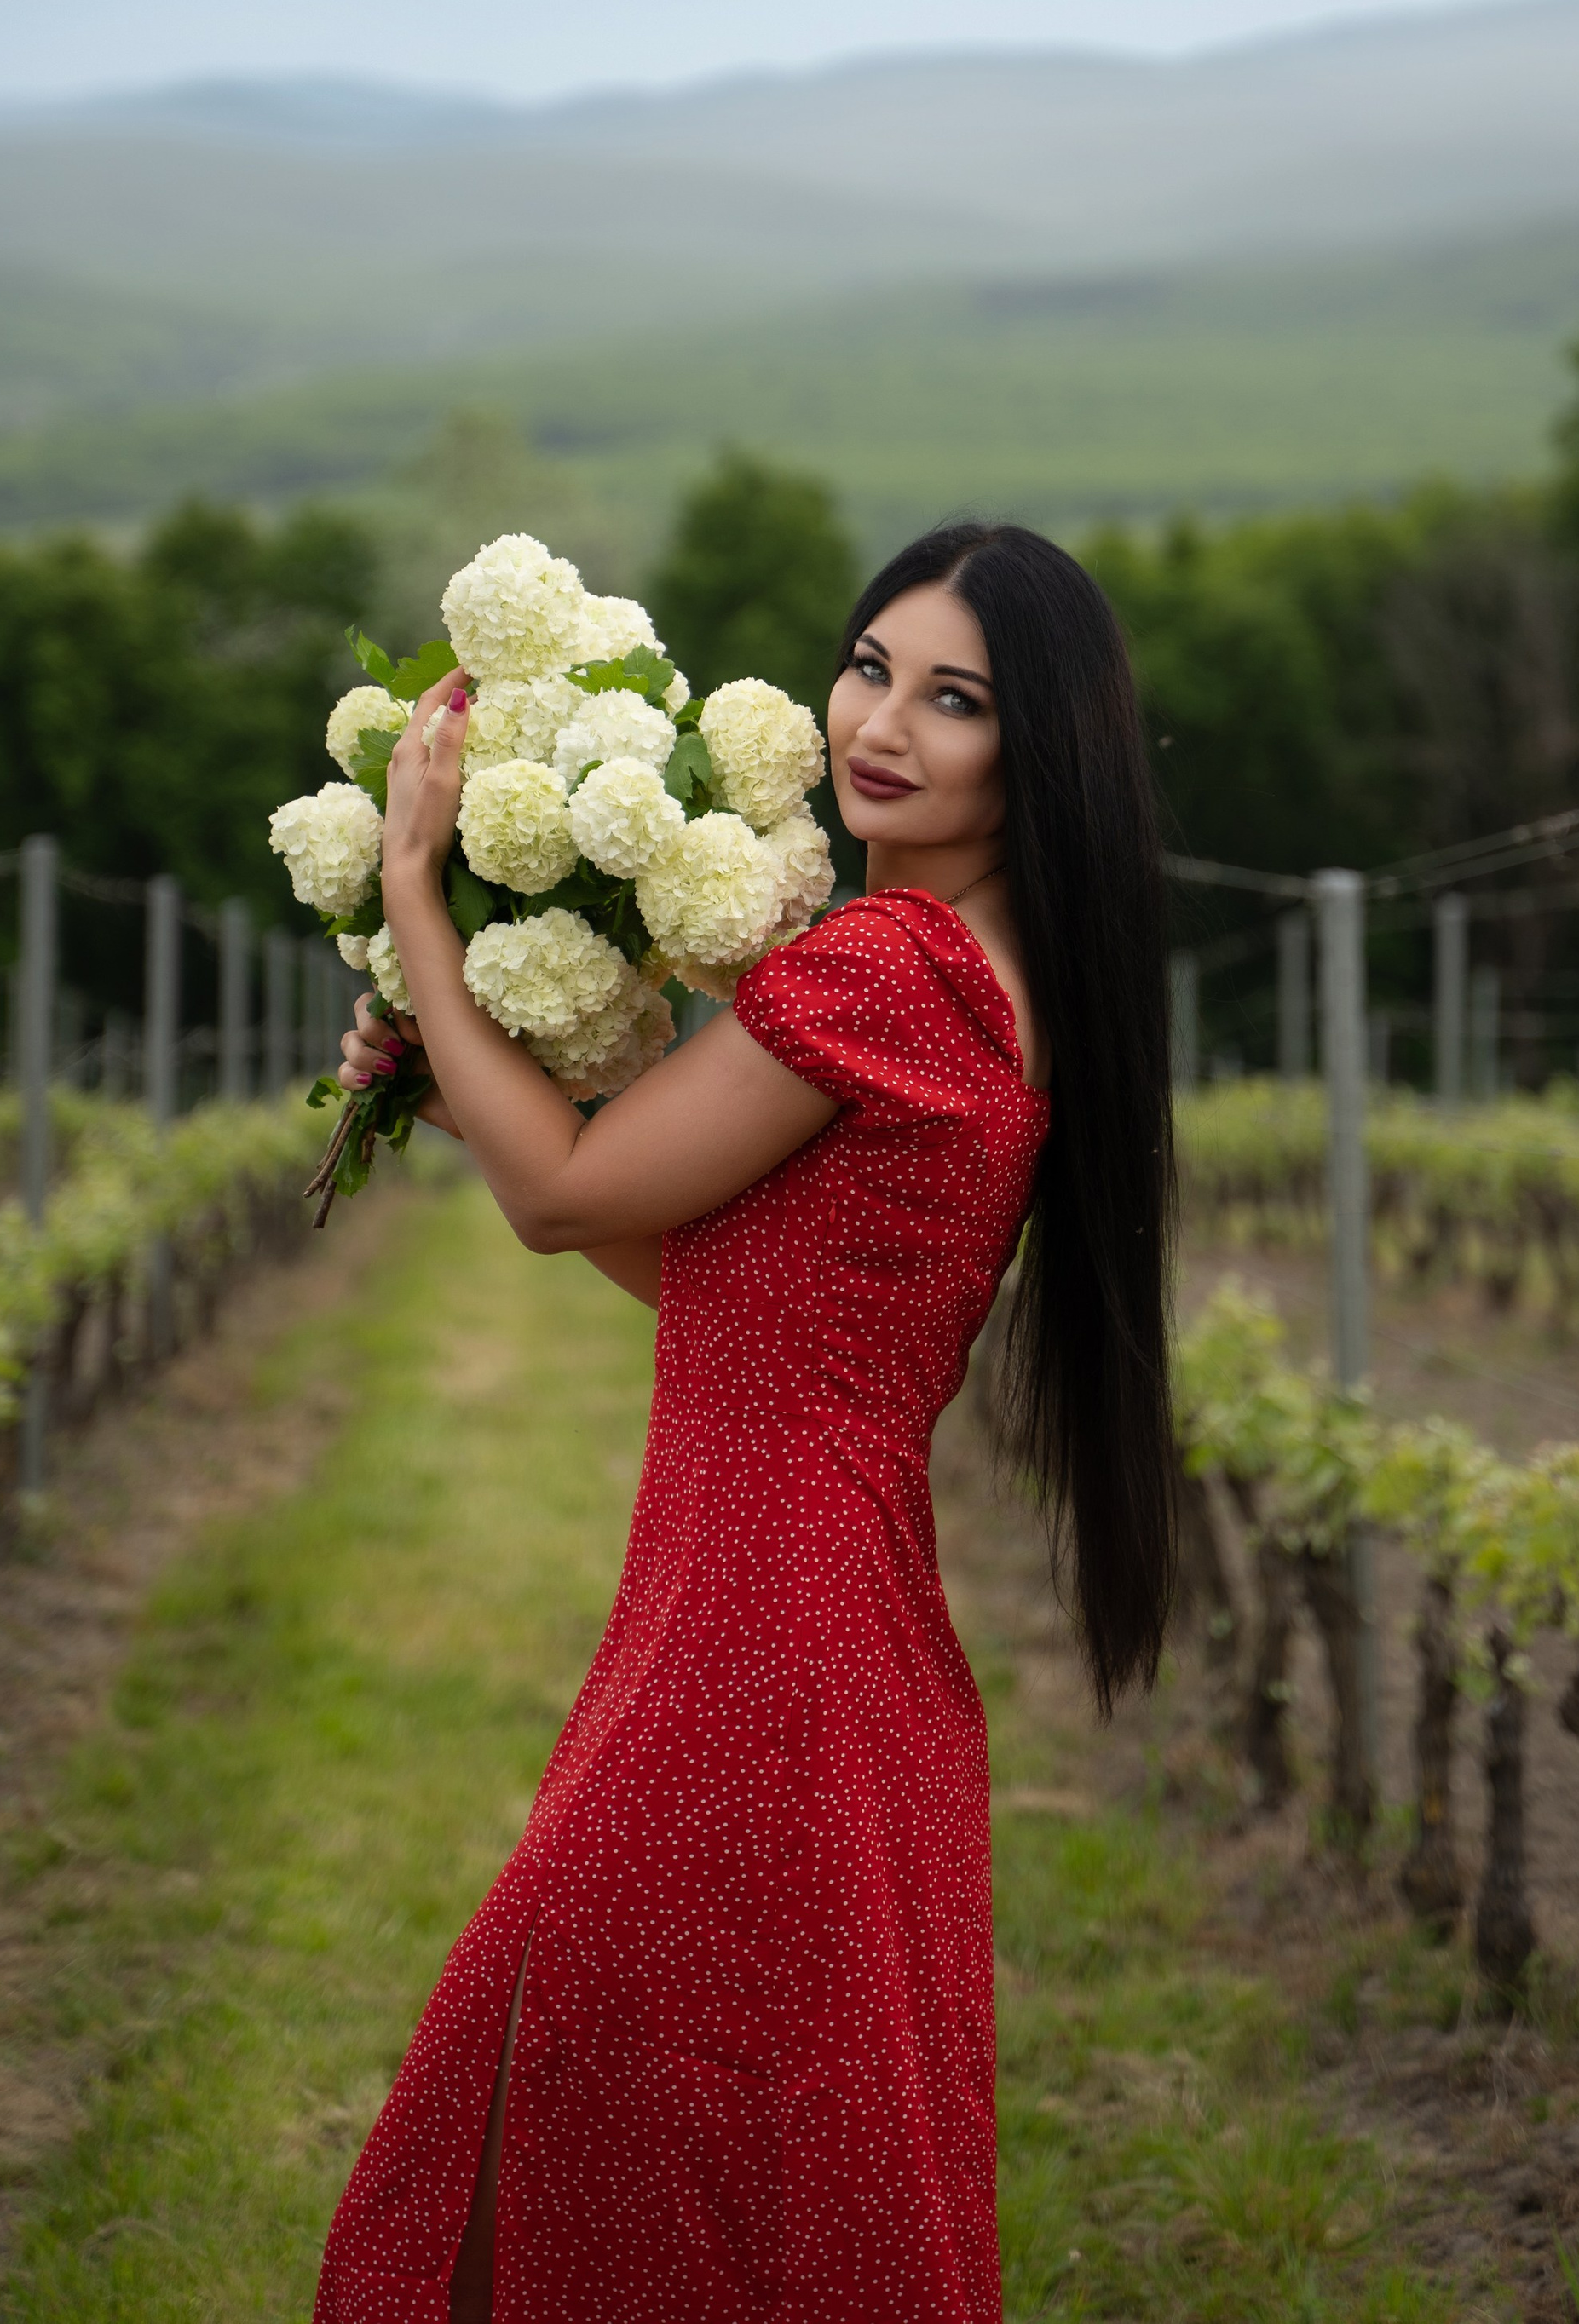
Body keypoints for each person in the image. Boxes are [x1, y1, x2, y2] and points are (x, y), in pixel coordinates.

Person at [312, 520, 1177, 2324]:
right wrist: (467, 1090)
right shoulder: (998, 979)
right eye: (871, 668)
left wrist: (414, 902)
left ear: (1042, 752)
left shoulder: (887, 969)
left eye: (956, 702)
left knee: (565, 2094)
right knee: (723, 2153)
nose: (882, 726)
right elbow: (735, 1302)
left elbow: (564, 1204)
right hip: (822, 1636)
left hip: (752, 1650)